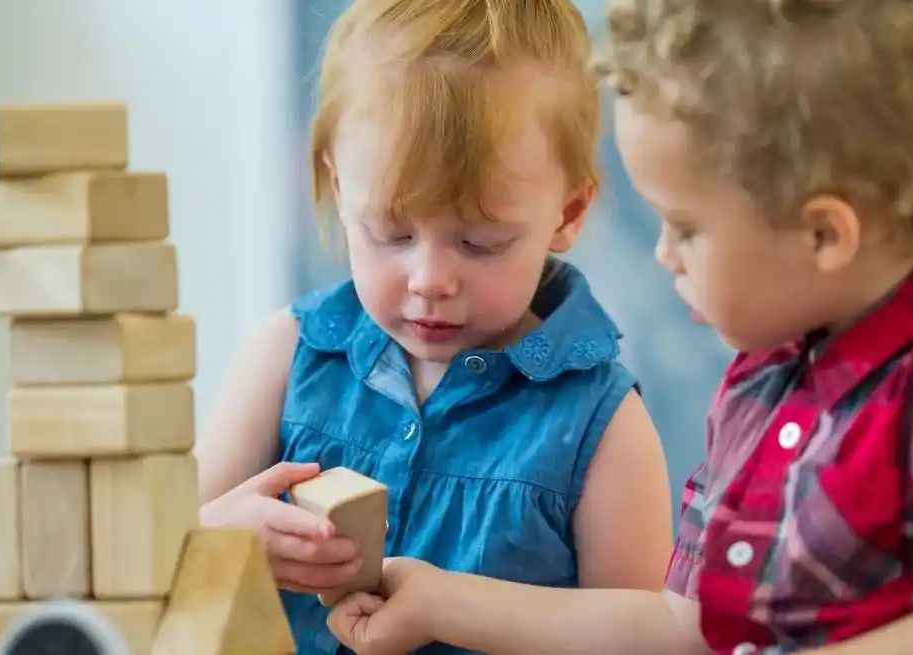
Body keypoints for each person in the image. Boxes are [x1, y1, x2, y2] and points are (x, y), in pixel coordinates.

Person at [324, 0, 913, 653]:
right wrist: (441, 601)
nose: (665, 254)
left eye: (687, 227)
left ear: (824, 235)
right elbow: (684, 624)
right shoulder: (765, 390)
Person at [193, 0, 674, 653]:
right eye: (391, 233)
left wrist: (458, 609)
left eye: (480, 242)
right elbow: (151, 561)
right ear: (341, 191)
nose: (429, 278)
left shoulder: (601, 426)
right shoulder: (285, 356)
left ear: (567, 211)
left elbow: (644, 637)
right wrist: (222, 535)